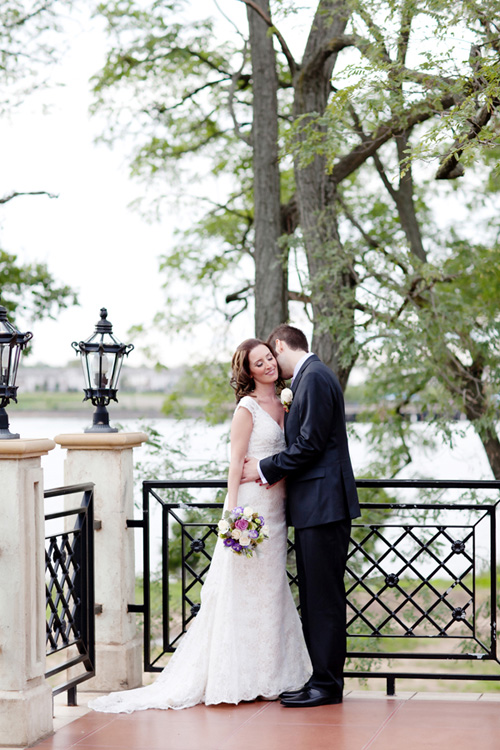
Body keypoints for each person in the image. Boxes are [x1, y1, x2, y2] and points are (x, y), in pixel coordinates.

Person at [89, 338, 311, 713]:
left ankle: (271, 675)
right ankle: (236, 676)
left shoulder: (286, 402)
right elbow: (235, 463)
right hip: (251, 511)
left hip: (277, 509)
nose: (269, 365)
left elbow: (285, 455)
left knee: (272, 590)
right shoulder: (247, 409)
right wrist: (233, 516)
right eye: (259, 363)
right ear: (249, 372)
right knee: (241, 592)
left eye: (270, 358)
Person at [241, 324, 360, 708]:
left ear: (278, 345)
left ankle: (327, 684)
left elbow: (309, 444)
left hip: (324, 507)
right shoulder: (310, 377)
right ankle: (319, 679)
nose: (271, 364)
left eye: (270, 355)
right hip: (315, 507)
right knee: (314, 595)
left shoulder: (314, 377)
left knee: (322, 598)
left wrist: (264, 468)